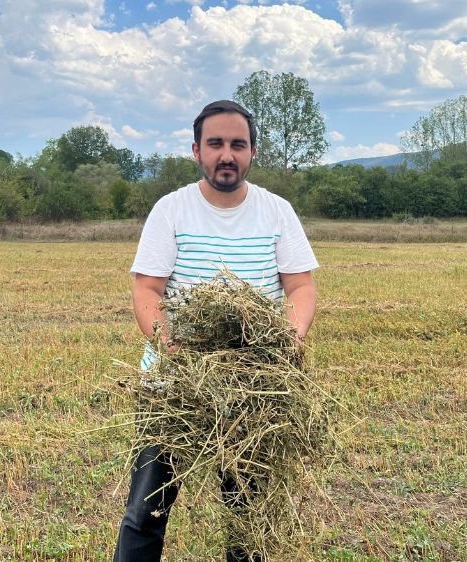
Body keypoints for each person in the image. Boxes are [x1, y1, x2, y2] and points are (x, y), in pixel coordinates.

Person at [113, 100, 319, 562]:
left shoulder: (277, 211)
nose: (227, 155)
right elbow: (147, 289)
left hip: (255, 386)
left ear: (252, 153)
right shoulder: (171, 210)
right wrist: (173, 348)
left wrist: (287, 338)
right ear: (196, 151)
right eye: (216, 144)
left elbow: (301, 286)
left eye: (237, 145)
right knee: (146, 511)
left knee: (248, 517)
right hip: (175, 385)